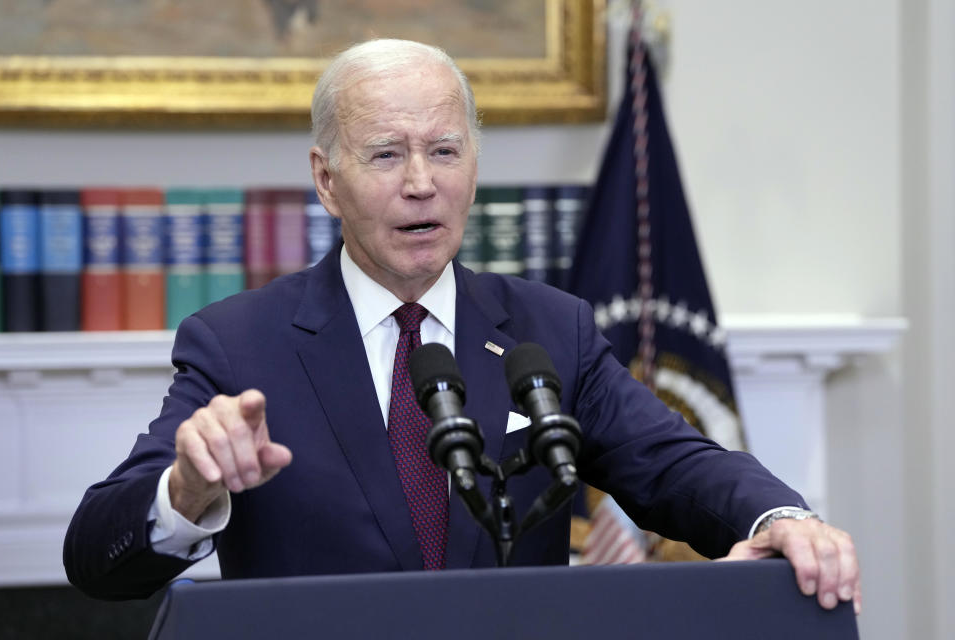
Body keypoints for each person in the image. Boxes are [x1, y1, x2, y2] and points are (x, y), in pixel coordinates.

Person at [64, 39, 860, 614]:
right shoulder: (238, 344)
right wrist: (186, 489)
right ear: (326, 179)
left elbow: (676, 464)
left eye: (445, 150)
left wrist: (782, 518)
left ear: (474, 163)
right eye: (385, 156)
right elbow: (96, 559)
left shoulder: (552, 328)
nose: (421, 184)